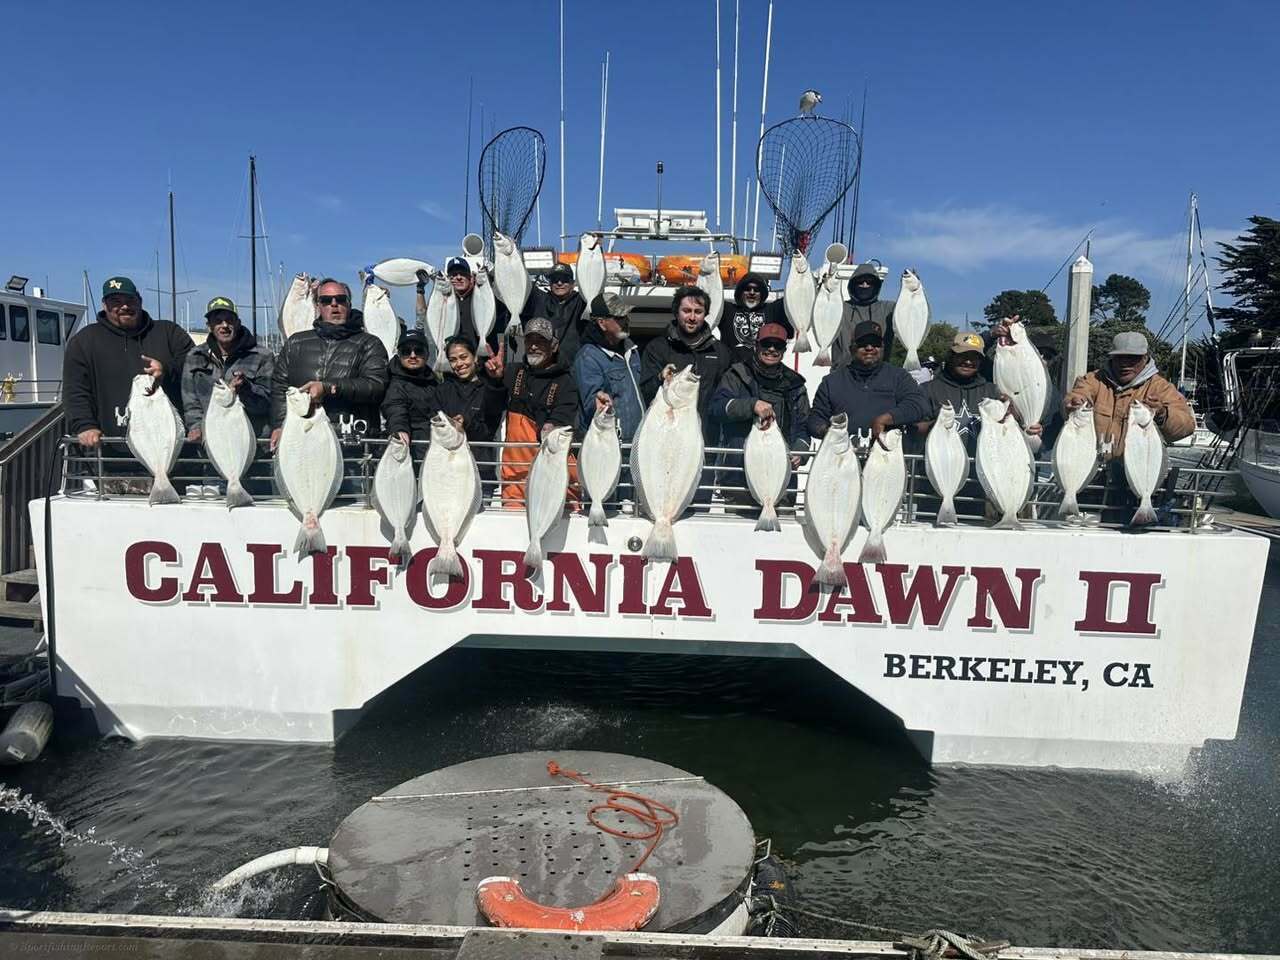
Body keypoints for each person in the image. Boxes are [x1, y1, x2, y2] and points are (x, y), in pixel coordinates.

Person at [63, 277, 193, 490]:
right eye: (115, 301)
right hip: (112, 462)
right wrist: (84, 425)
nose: (124, 306)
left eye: (130, 300)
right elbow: (75, 390)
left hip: (174, 461)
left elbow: (196, 368)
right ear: (105, 306)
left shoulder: (169, 333)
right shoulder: (84, 341)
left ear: (140, 301)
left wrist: (166, 370)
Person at [270, 278, 390, 450]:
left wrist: (329, 388)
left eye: (340, 299)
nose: (334, 304)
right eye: (326, 300)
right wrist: (279, 425)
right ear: (317, 306)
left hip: (351, 444)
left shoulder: (370, 343)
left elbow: (376, 386)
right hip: (302, 439)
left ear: (349, 304)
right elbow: (280, 387)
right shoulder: (295, 343)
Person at [639, 286, 734, 505]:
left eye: (698, 311)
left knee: (698, 512)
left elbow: (727, 395)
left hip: (703, 447)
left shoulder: (720, 352)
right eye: (686, 310)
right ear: (676, 312)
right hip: (661, 444)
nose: (692, 317)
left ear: (705, 314)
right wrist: (659, 379)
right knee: (659, 504)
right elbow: (643, 391)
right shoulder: (657, 348)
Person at [709, 323, 810, 506]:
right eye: (766, 344)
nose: (771, 349)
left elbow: (803, 427)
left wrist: (800, 452)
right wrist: (751, 405)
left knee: (779, 532)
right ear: (757, 345)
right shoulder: (736, 375)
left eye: (777, 345)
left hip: (781, 481)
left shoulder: (795, 385)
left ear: (784, 349)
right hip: (737, 480)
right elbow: (717, 408)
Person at [484, 317, 580, 507]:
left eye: (541, 341)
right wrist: (495, 382)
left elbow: (565, 417)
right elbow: (491, 411)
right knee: (514, 530)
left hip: (555, 472)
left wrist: (552, 425)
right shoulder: (512, 371)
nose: (534, 346)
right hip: (516, 476)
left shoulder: (566, 381)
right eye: (529, 341)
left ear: (553, 345)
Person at [807, 320, 929, 440]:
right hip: (843, 454)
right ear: (851, 348)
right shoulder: (831, 382)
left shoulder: (899, 376)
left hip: (888, 454)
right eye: (862, 343)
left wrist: (885, 419)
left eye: (875, 343)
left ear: (882, 347)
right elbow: (815, 419)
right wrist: (828, 432)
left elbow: (919, 405)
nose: (869, 347)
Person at [182, 297, 274, 441]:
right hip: (211, 443)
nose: (224, 325)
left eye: (229, 320)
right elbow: (190, 401)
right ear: (209, 326)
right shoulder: (194, 356)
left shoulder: (263, 356)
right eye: (218, 321)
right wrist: (196, 426)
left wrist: (246, 388)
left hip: (252, 445)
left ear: (238, 323)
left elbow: (267, 403)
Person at [433, 335, 507, 484]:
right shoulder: (442, 391)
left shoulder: (489, 388)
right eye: (453, 360)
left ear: (475, 358)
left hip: (481, 469)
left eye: (463, 357)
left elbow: (489, 428)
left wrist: (465, 423)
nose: (459, 364)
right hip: (449, 468)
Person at [572, 294, 644, 441]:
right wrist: (601, 404)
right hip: (609, 443)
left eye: (626, 316)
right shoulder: (588, 357)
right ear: (602, 323)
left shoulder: (632, 349)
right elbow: (592, 405)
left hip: (639, 442)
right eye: (619, 317)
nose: (626, 320)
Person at [415, 259, 506, 356]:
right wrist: (420, 290)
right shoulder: (442, 302)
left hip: (485, 363)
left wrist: (493, 275)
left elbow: (504, 301)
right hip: (454, 364)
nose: (458, 277)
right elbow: (422, 320)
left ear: (471, 277)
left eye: (463, 274)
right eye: (453, 275)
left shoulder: (484, 296)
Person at [831, 263, 896, 368]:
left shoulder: (888, 308)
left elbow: (909, 313)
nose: (865, 285)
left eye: (869, 282)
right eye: (860, 282)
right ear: (853, 285)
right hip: (843, 373)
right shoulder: (839, 308)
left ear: (876, 286)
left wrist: (912, 292)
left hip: (879, 375)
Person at [521, 262, 588, 362]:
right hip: (542, 365)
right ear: (550, 283)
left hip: (573, 367)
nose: (559, 283)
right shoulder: (539, 299)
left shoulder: (581, 302)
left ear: (573, 283)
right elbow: (521, 282)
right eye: (555, 279)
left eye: (565, 279)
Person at [381, 329, 438, 446]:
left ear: (427, 354)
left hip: (436, 448)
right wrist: (399, 430)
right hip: (412, 450)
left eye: (419, 351)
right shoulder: (395, 384)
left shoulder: (434, 382)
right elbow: (395, 410)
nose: (413, 356)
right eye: (406, 351)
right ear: (399, 354)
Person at [719, 272, 792, 357]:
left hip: (761, 367)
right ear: (740, 292)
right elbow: (707, 296)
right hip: (731, 368)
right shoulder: (726, 309)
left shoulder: (772, 310)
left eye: (757, 290)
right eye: (747, 289)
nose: (752, 292)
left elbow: (793, 295)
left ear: (762, 293)